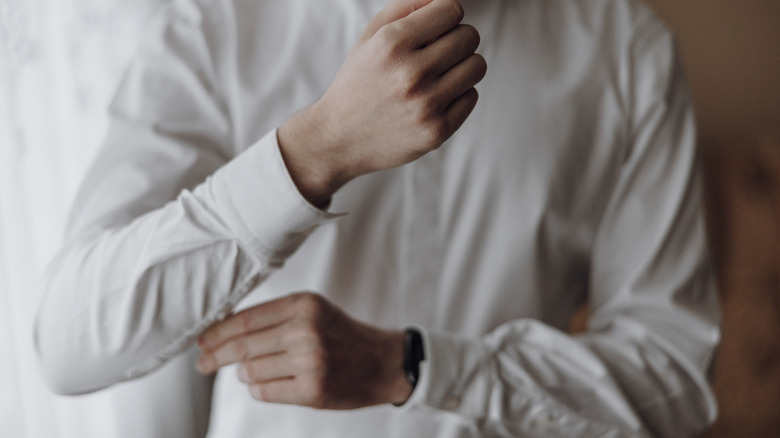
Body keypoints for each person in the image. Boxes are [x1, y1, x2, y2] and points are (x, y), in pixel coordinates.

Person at [34, 0, 720, 436]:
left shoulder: (626, 52)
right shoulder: (215, 28)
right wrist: (311, 151)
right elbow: (66, 342)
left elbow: (676, 380)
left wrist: (415, 366)